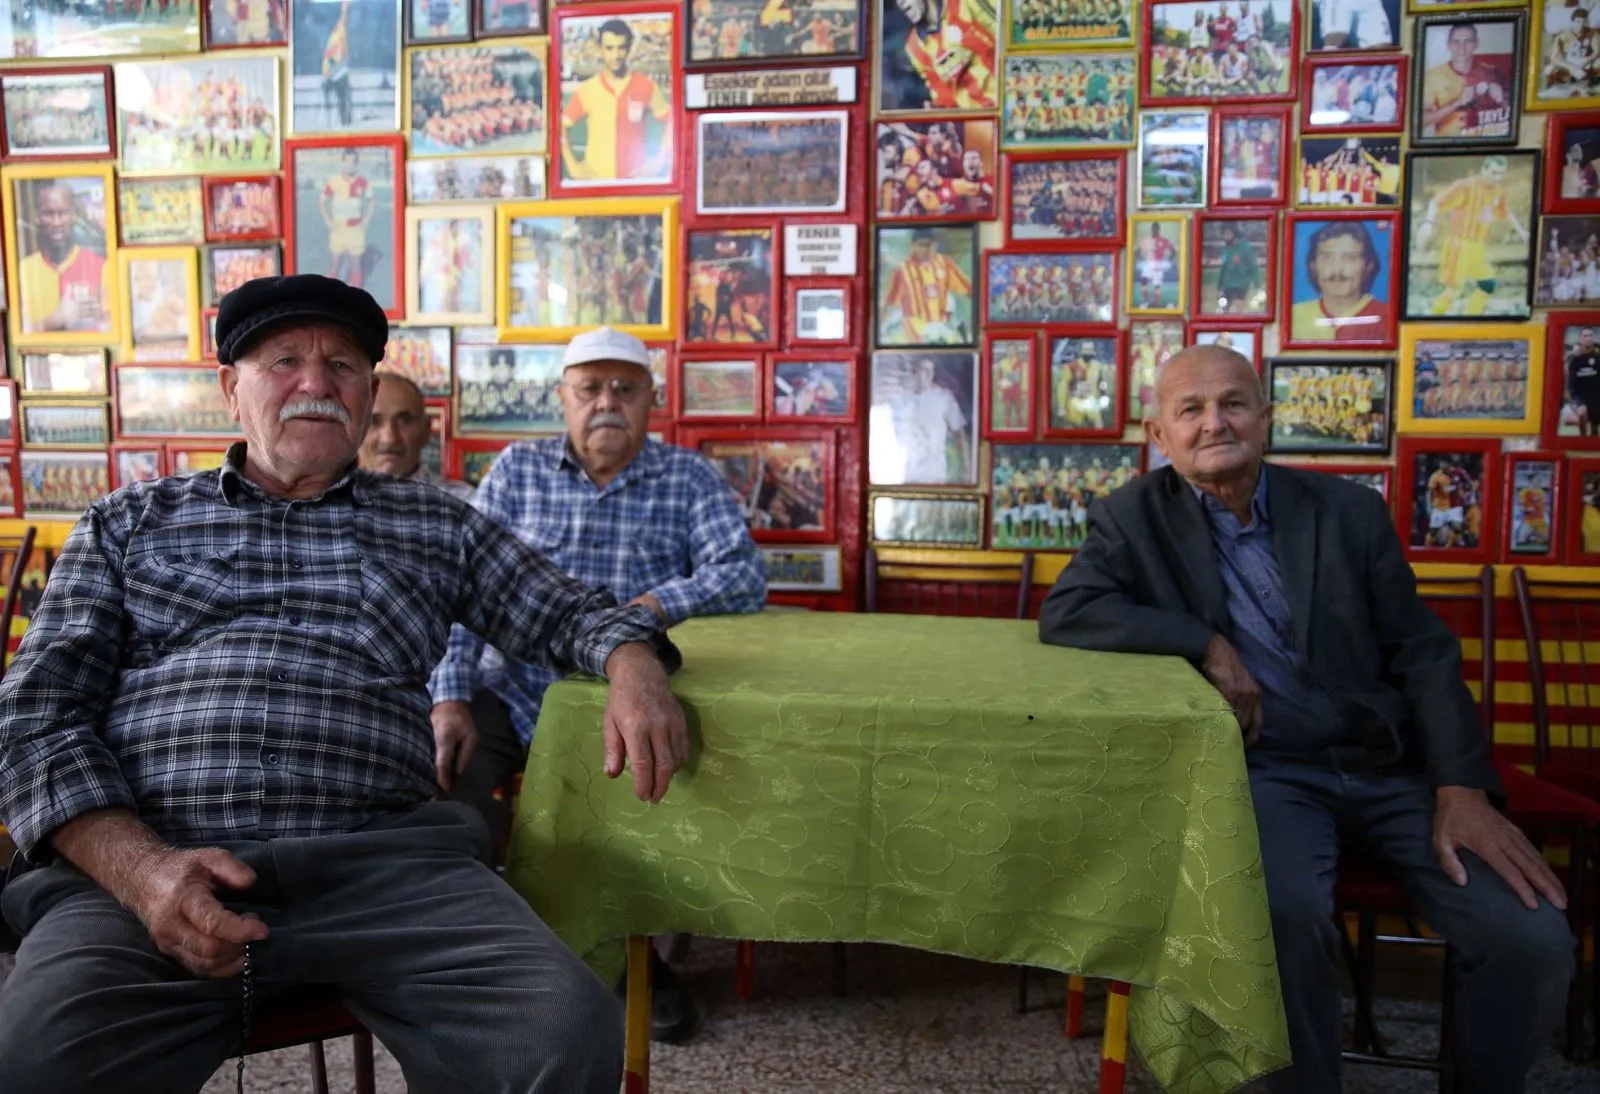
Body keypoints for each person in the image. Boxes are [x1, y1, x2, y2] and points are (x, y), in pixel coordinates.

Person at [0, 276, 690, 1093]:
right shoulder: (128, 522)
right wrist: (143, 872)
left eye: (342, 366)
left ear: (366, 392)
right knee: (34, 1060)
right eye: (283, 361)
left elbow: (568, 610)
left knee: (564, 1031)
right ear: (231, 389)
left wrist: (632, 662)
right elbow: (34, 717)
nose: (316, 384)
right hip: (154, 859)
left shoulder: (435, 524)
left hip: (387, 870)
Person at [1038, 344, 1574, 1094]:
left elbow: (1421, 651)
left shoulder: (1347, 511)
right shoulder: (1131, 518)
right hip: (1266, 771)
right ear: (1160, 435)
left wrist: (1462, 790)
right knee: (1275, 919)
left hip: (1390, 764)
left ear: (1266, 417)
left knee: (1532, 934)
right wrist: (1205, 643)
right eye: (1190, 409)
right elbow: (1068, 611)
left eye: (1233, 403)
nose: (1214, 423)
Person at [429, 325, 766, 1044]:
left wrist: (655, 606)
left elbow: (743, 575)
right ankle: (489, 964)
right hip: (516, 691)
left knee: (638, 800)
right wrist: (449, 696)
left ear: (651, 399)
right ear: (563, 397)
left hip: (635, 700)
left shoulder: (687, 478)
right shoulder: (517, 472)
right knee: (448, 792)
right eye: (590, 388)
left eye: (624, 388)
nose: (606, 402)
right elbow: (461, 588)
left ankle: (636, 967)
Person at [1414, 155, 1530, 317]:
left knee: (1488, 285)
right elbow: (1435, 203)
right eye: (1494, 173)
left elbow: (1505, 212)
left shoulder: (1498, 190)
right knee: (1454, 291)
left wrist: (1522, 231)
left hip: (1477, 246)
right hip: (1459, 245)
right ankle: (1431, 321)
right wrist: (1428, 223)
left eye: (1501, 173)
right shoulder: (1465, 186)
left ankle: (1472, 318)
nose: (1497, 177)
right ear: (1483, 169)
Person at [560, 18, 672, 184]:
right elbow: (560, 127)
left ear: (629, 48)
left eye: (621, 47)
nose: (616, 55)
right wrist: (573, 167)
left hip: (635, 183)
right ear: (600, 48)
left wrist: (658, 162)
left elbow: (673, 122)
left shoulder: (646, 86)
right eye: (609, 48)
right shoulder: (587, 90)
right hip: (597, 184)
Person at [359, 373, 475, 502]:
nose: (389, 438)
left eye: (404, 421)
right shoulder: (340, 502)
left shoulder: (464, 503)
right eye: (373, 422)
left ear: (426, 430)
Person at [17, 181, 112, 334]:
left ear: (74, 215)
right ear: (37, 216)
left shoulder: (100, 266)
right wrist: (57, 319)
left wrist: (100, 317)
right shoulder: (24, 270)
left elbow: (113, 326)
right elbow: (16, 333)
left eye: (63, 213)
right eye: (49, 214)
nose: (57, 222)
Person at [1289, 219, 1390, 342]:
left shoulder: (1386, 317)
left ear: (1368, 265)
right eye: (1327, 257)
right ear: (1313, 265)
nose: (1337, 270)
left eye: (1350, 258)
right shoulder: (1294, 316)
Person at [880, 228, 972, 345]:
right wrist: (879, 328)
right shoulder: (902, 271)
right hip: (915, 332)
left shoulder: (944, 264)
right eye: (920, 245)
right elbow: (889, 301)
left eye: (928, 245)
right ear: (913, 245)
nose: (924, 249)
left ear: (933, 245)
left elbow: (968, 289)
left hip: (941, 328)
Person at [1421, 22, 1509, 139]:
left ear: (1476, 43)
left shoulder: (1492, 72)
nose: (1461, 48)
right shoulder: (1433, 76)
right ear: (1448, 44)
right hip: (1447, 145)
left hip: (1485, 143)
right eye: (1456, 41)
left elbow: (1514, 115)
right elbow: (1421, 121)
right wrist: (1457, 102)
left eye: (1468, 41)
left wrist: (1502, 98)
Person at [318, 149, 374, 289]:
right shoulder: (334, 181)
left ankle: (356, 293)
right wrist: (327, 219)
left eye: (353, 161)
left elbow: (372, 201)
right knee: (336, 264)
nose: (350, 164)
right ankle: (328, 293)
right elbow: (322, 200)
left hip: (355, 230)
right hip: (338, 228)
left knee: (356, 264)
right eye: (347, 161)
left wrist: (366, 220)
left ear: (356, 163)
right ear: (343, 162)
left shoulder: (363, 182)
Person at [1567, 326, 1600, 435]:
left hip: (1596, 393)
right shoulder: (1575, 357)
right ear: (1580, 338)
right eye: (1585, 336)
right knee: (1582, 413)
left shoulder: (1598, 353)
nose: (1588, 338)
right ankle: (1582, 437)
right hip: (1579, 394)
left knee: (1594, 427)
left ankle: (1593, 438)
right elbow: (1570, 378)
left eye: (1590, 335)